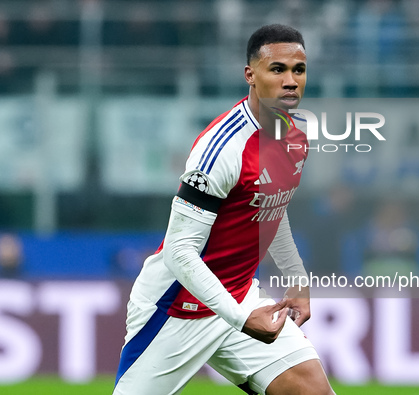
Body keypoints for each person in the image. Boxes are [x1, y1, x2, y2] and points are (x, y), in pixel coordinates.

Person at [113, 24, 334, 395]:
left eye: (299, 69)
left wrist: (295, 277)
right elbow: (180, 252)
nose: (291, 80)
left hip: (239, 295)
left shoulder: (294, 136)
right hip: (176, 307)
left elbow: (268, 210)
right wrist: (241, 317)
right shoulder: (221, 149)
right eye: (277, 69)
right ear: (251, 75)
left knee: (312, 391)